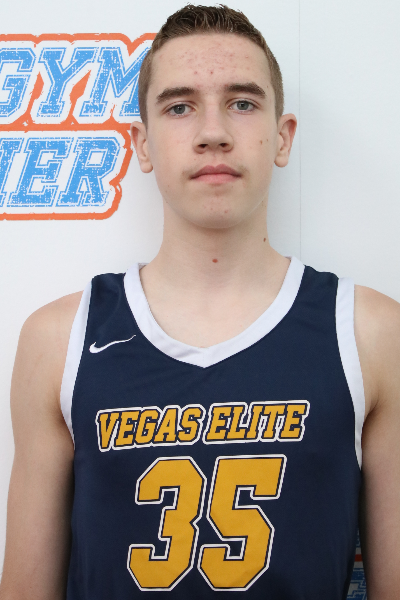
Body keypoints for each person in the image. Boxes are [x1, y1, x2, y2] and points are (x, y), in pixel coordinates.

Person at [0, 4, 399, 599]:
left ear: (282, 137)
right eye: (180, 107)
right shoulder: (60, 340)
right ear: (143, 145)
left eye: (243, 103)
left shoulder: (369, 334)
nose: (213, 132)